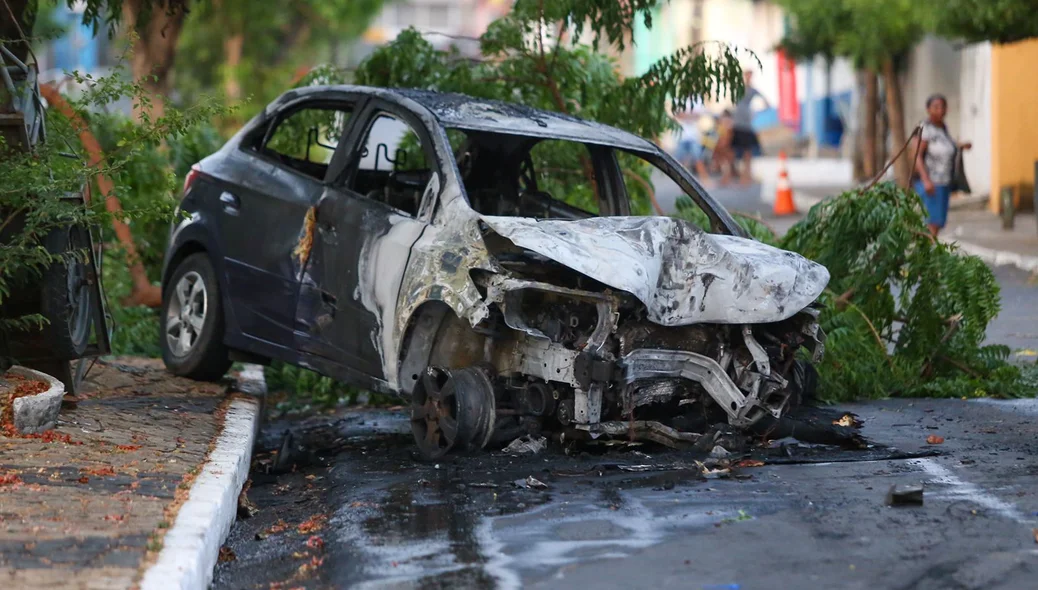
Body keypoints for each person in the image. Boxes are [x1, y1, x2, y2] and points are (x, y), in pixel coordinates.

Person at [912, 94, 971, 238]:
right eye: (936, 107)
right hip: (931, 183)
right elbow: (916, 156)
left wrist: (960, 145)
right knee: (931, 223)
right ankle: (926, 255)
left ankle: (929, 254)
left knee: (937, 223)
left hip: (944, 182)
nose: (940, 110)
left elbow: (943, 147)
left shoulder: (942, 128)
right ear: (928, 109)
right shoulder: (925, 129)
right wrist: (926, 181)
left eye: (942, 107)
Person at [731, 70, 769, 184]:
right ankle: (736, 175)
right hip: (737, 122)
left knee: (747, 152)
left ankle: (746, 177)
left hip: (746, 124)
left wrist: (755, 113)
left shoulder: (752, 90)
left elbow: (766, 103)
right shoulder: (738, 88)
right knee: (733, 151)